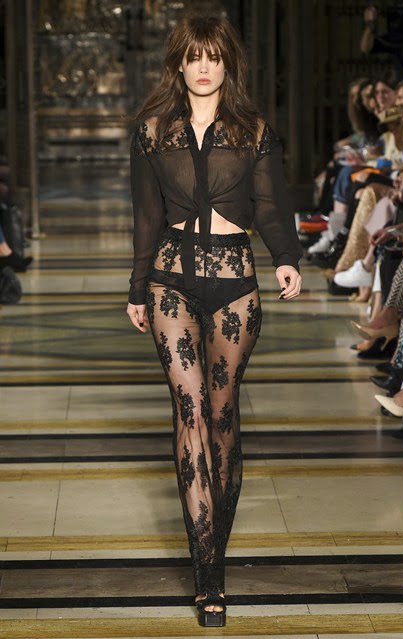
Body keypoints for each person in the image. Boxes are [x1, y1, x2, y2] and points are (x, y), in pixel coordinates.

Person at [123, 14, 303, 628]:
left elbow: (271, 204)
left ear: (228, 64)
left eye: (214, 57)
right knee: (191, 412)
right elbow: (146, 215)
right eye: (194, 56)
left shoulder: (253, 131)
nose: (204, 67)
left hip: (234, 286)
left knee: (222, 417)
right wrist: (137, 287)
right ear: (179, 63)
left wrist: (286, 258)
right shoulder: (152, 131)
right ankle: (209, 577)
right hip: (170, 281)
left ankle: (213, 545)